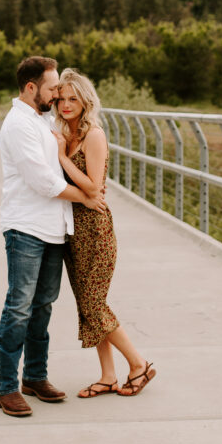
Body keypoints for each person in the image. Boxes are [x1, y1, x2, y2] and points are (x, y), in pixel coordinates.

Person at [0, 55, 107, 418]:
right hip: (25, 228)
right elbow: (44, 181)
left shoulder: (45, 119)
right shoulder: (18, 125)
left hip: (54, 230)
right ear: (31, 88)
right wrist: (88, 197)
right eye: (52, 87)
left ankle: (35, 377)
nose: (58, 93)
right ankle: (6, 387)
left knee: (43, 306)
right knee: (19, 307)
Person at [54, 68, 156, 398]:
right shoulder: (62, 134)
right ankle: (108, 376)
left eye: (73, 99)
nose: (66, 105)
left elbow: (94, 187)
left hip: (95, 232)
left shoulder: (92, 135)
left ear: (85, 102)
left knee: (95, 305)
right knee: (88, 306)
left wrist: (60, 158)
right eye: (62, 98)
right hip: (72, 232)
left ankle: (139, 364)